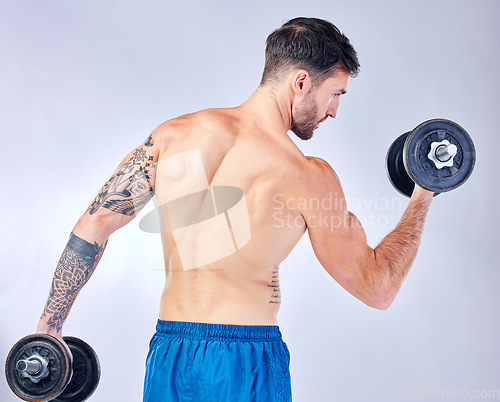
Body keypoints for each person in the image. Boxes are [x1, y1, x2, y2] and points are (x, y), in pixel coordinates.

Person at [36, 17, 434, 401]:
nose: (334, 111)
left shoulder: (171, 137)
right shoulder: (308, 175)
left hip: (171, 355)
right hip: (246, 361)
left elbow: (92, 227)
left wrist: (50, 327)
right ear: (301, 82)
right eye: (335, 94)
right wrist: (424, 192)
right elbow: (378, 288)